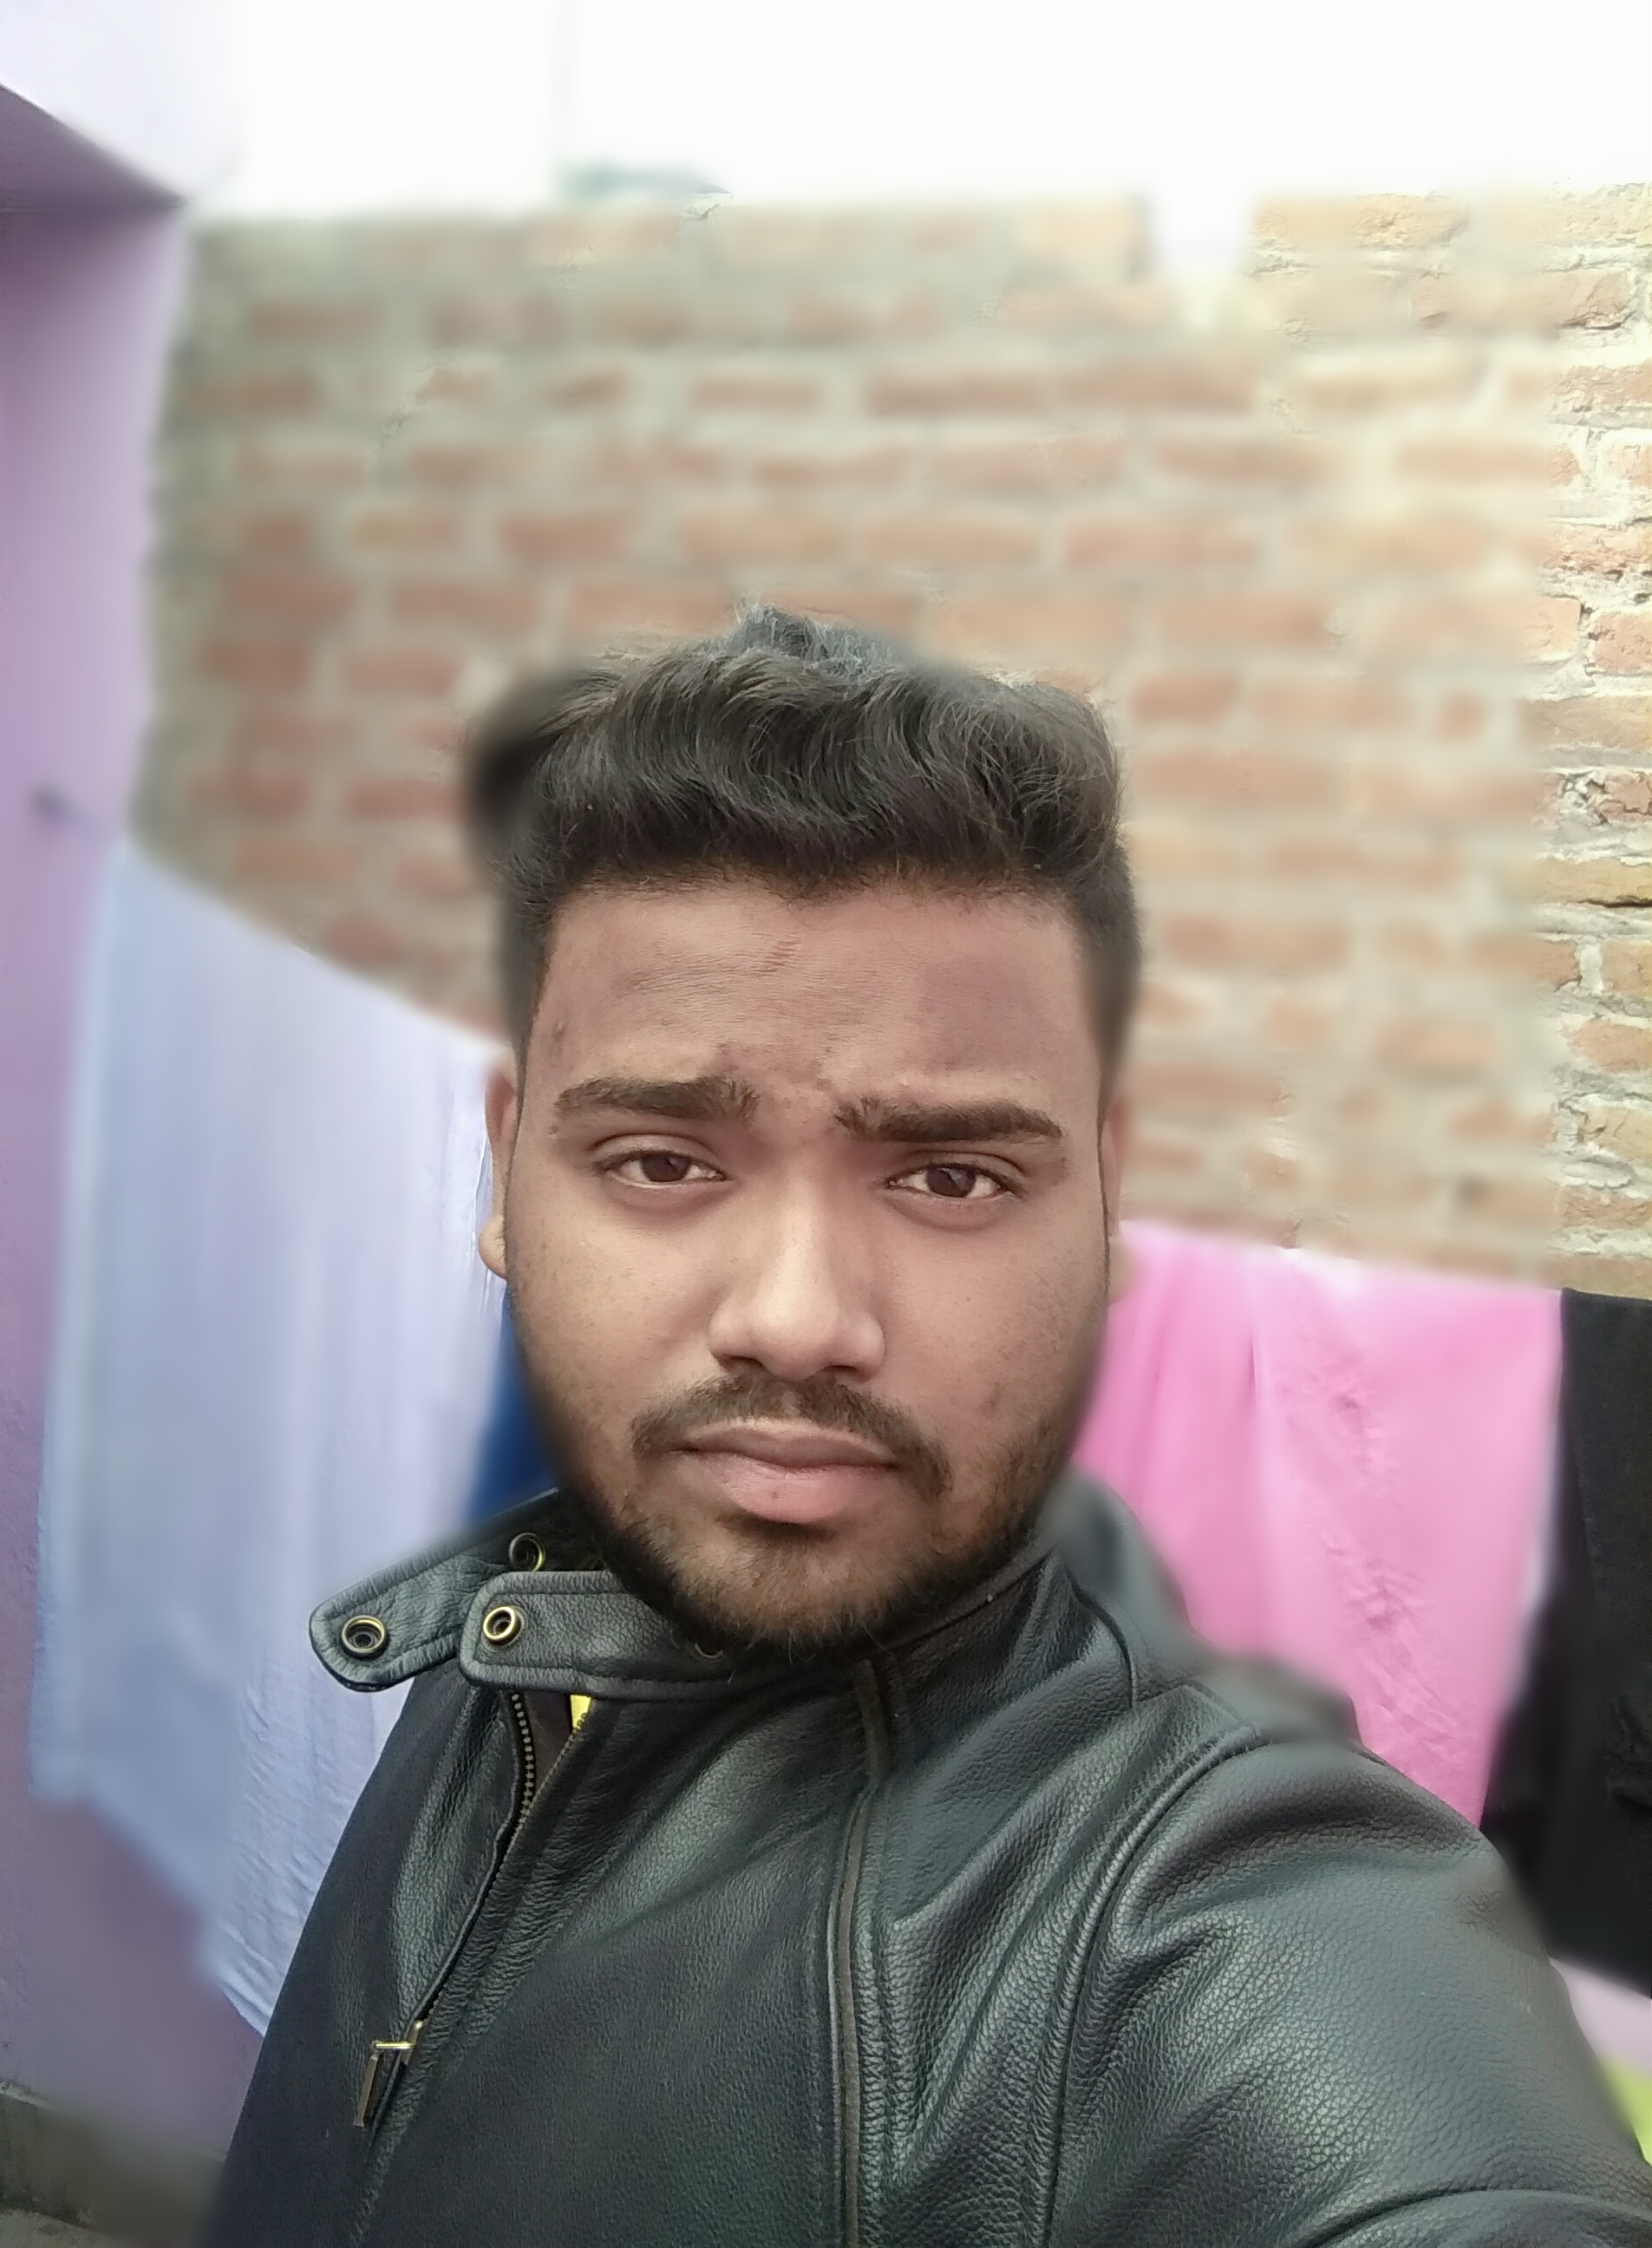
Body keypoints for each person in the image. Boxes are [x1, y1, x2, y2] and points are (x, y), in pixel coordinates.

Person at [205, 610, 1652, 2247]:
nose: (799, 1315)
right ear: (507, 1165)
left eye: (951, 1176)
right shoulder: (509, 1637)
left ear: (1107, 1193)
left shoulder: (1223, 1922)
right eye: (663, 1162)